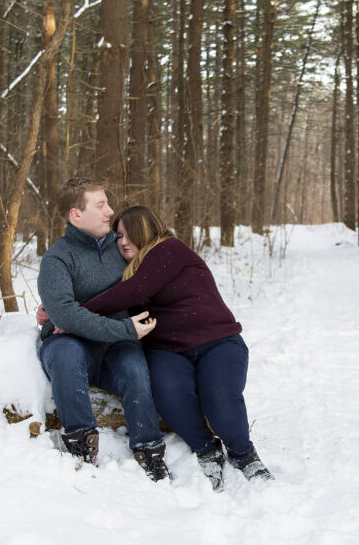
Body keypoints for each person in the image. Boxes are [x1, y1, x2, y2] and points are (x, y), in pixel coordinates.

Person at [77, 205, 273, 490]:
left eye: (127, 234)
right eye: (118, 237)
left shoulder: (169, 249)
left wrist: (75, 314)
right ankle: (206, 450)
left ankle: (244, 454)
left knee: (219, 397)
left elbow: (134, 292)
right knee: (169, 395)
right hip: (167, 350)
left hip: (217, 342)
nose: (123, 242)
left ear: (145, 229)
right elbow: (113, 298)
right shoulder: (128, 272)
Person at [36, 177, 169, 482]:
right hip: (72, 347)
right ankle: (81, 440)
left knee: (133, 365)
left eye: (107, 202)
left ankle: (149, 446)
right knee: (64, 351)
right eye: (100, 205)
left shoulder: (122, 247)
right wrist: (122, 328)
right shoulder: (57, 258)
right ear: (76, 215)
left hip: (116, 348)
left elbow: (156, 274)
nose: (111, 210)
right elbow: (66, 315)